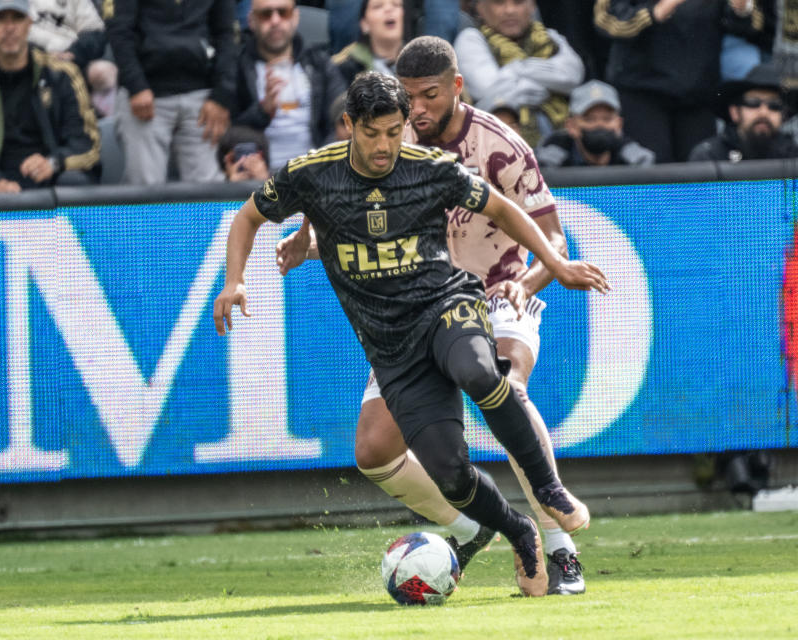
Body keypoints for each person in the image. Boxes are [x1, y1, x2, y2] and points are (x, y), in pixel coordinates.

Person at [214, 71, 609, 598]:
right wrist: (234, 280)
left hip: (447, 305)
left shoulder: (430, 167)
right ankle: (518, 532)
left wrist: (555, 265)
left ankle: (550, 492)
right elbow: (247, 218)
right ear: (349, 125)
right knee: (450, 474)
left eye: (395, 132)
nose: (385, 147)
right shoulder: (311, 173)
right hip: (392, 347)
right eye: (373, 133)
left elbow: (500, 207)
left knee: (480, 371)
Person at [0, 0, 100, 191]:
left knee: (74, 181)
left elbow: (87, 145)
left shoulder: (63, 74)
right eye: (0, 19)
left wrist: (53, 163)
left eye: (17, 18)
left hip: (52, 188)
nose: (10, 28)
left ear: (30, 22)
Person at [594, 0, 767, 162]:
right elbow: (606, 20)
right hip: (642, 91)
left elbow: (752, 25)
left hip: (697, 94)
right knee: (652, 174)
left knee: (700, 174)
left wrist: (740, 9)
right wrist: (654, 13)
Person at [104, 0, 235, 185]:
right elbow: (119, 31)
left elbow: (227, 34)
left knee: (207, 189)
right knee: (144, 188)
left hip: (202, 97)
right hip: (146, 94)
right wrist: (136, 86)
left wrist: (222, 95)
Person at [233, 0, 346, 173]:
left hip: (315, 174)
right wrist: (262, 112)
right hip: (257, 178)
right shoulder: (237, 67)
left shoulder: (319, 63)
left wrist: (320, 167)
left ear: (295, 17)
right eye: (266, 14)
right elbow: (228, 133)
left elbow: (340, 120)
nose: (275, 21)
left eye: (283, 12)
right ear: (251, 21)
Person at [453, 0, 584, 148]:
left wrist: (518, 68)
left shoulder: (549, 37)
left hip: (559, 140)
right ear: (480, 9)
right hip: (496, 143)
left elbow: (573, 75)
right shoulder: (471, 38)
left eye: (518, 2)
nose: (510, 10)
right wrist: (548, 81)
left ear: (533, 6)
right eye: (499, 3)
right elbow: (488, 91)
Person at [688, 62, 798, 162]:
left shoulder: (793, 156)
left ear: (783, 116)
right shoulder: (710, 155)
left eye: (774, 106)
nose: (764, 112)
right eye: (753, 103)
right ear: (735, 112)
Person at [536, 79, 655, 168]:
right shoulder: (548, 163)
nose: (599, 125)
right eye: (590, 119)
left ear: (619, 125)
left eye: (607, 119)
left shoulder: (635, 161)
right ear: (571, 126)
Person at [331, 0, 404, 87]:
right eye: (378, 6)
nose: (389, 9)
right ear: (364, 24)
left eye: (396, 5)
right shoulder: (343, 68)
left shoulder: (419, 60)